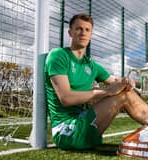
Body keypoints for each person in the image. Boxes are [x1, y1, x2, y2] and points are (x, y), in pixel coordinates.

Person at [44, 13, 148, 150]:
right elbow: (66, 98)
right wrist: (106, 91)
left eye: (87, 30)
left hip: (85, 122)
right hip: (66, 130)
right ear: (70, 32)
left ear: (91, 35)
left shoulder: (91, 65)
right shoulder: (58, 55)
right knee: (123, 95)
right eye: (78, 29)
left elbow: (116, 81)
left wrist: (126, 82)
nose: (83, 33)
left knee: (125, 91)